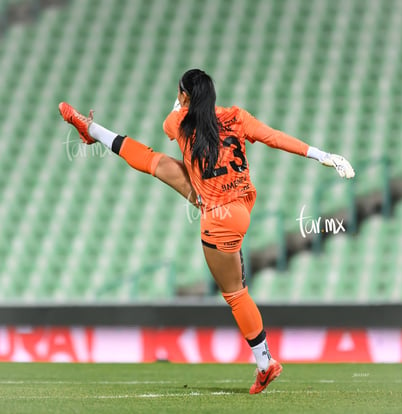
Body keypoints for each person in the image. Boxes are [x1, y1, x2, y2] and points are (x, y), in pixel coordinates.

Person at [59, 68, 355, 394]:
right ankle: (91, 131)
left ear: (184, 96)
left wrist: (180, 100)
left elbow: (171, 118)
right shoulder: (236, 116)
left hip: (217, 216)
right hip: (237, 206)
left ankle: (265, 363)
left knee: (235, 293)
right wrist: (323, 155)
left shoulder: (178, 123)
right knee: (157, 163)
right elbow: (274, 137)